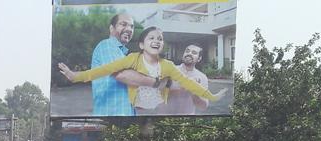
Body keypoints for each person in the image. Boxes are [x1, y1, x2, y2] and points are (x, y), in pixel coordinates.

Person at [58, 27, 226, 115]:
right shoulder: (132, 58)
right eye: (151, 38)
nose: (156, 41)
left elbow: (190, 85)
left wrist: (212, 96)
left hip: (161, 115)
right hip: (139, 110)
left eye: (160, 39)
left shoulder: (168, 66)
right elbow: (104, 70)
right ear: (141, 44)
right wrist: (77, 76)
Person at [162, 44, 210, 115]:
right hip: (165, 117)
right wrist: (181, 88)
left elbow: (203, 106)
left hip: (187, 119)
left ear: (199, 59)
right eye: (187, 51)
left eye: (194, 53)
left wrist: (194, 92)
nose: (189, 53)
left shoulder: (202, 77)